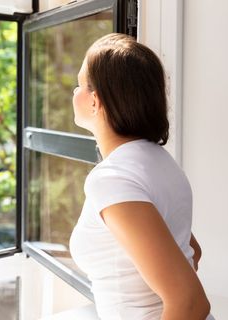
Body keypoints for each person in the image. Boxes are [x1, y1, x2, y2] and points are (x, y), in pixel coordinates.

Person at [69, 33, 213, 319]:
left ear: (95, 100)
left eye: (79, 85)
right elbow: (191, 251)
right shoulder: (160, 161)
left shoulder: (112, 179)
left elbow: (190, 303)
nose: (74, 93)